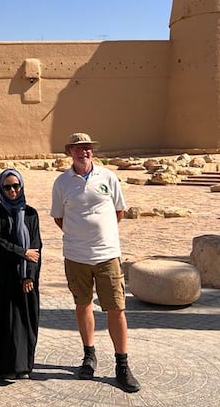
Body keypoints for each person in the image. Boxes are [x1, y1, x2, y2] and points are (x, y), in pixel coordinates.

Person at [51, 132, 141, 393]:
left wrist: (102, 235)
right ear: (70, 152)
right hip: (76, 256)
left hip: (107, 255)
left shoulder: (108, 177)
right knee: (83, 304)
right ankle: (89, 355)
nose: (84, 152)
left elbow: (118, 211)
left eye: (87, 148)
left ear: (92, 151)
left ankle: (122, 364)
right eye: (78, 149)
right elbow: (59, 217)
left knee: (116, 308)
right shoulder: (62, 182)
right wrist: (80, 235)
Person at [0, 168, 42, 380]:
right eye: (7, 187)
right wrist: (22, 252)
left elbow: (36, 246)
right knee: (4, 324)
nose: (12, 191)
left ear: (22, 186)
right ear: (1, 188)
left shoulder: (31, 214)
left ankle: (23, 366)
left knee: (24, 323)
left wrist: (29, 276)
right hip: (1, 279)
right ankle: (4, 367)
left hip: (24, 279)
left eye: (16, 186)